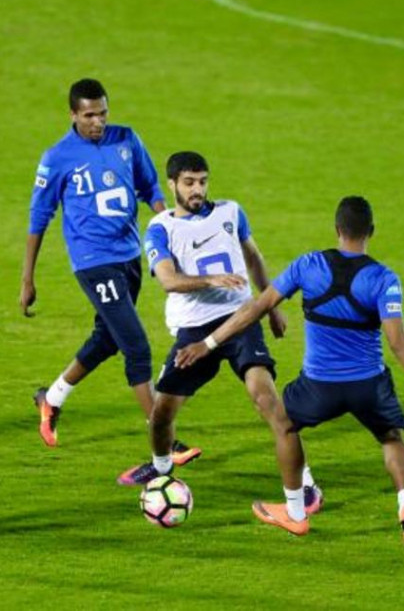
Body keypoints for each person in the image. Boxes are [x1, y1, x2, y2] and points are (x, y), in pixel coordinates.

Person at [175, 196, 404, 554]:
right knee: (390, 438)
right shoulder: (384, 279)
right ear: (370, 232)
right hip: (368, 385)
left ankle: (296, 512)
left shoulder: (308, 265)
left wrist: (208, 342)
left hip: (319, 387)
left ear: (336, 230)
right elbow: (398, 343)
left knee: (284, 426)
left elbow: (257, 307)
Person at [117, 151, 320, 536]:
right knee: (161, 413)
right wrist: (212, 280)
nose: (198, 190)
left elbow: (254, 256)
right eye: (190, 182)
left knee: (268, 400)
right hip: (193, 332)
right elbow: (168, 281)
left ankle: (304, 487)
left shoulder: (230, 212)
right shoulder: (160, 229)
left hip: (240, 322)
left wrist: (270, 305)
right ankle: (161, 470)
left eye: (203, 181)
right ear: (173, 184)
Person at [20, 78, 199, 464]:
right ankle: (164, 439)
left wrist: (168, 222)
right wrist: (27, 279)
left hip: (129, 256)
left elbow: (150, 186)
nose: (97, 121)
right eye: (89, 115)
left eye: (102, 113)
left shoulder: (126, 139)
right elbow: (39, 217)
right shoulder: (57, 157)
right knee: (136, 345)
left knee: (107, 338)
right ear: (72, 115)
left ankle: (51, 400)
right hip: (92, 262)